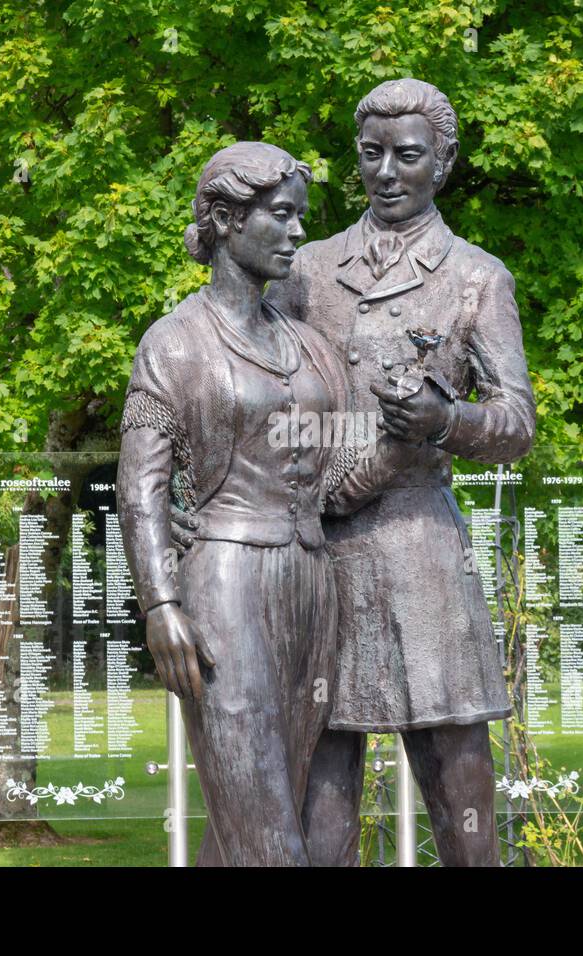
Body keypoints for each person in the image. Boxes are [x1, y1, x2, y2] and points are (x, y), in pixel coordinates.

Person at [265, 79, 537, 866]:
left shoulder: (477, 277)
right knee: (320, 777)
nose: (386, 172)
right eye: (371, 154)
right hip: (322, 549)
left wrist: (449, 422)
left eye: (407, 156)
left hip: (419, 551)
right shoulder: (304, 271)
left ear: (442, 164)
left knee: (458, 770)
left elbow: (516, 423)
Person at [117, 141, 407, 866]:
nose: (297, 233)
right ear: (224, 218)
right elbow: (140, 487)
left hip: (314, 589)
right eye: (280, 216)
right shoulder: (173, 344)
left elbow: (340, 475)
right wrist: (159, 604)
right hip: (225, 587)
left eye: (300, 216)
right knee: (267, 834)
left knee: (275, 816)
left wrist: (414, 436)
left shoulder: (313, 349)